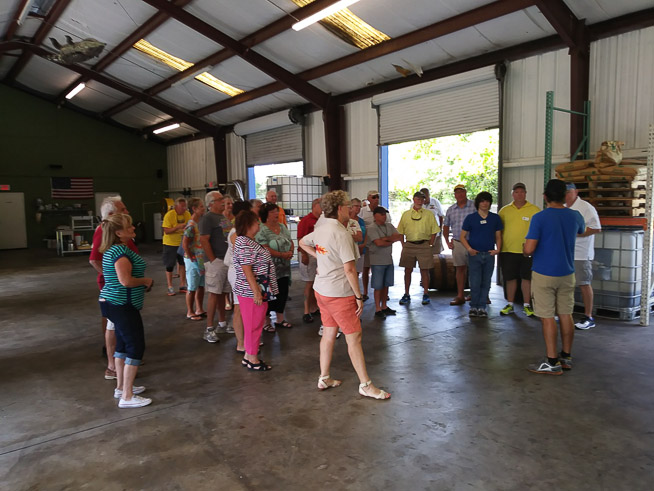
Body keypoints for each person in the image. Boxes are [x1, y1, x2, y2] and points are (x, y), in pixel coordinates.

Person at [300, 191, 390, 400]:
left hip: (322, 290)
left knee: (329, 333)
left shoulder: (321, 229)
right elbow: (350, 270)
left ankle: (324, 377)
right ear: (340, 208)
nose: (351, 208)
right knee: (354, 338)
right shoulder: (341, 234)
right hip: (339, 293)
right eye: (348, 205)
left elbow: (303, 242)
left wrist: (321, 258)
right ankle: (366, 385)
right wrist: (358, 296)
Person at [523, 179, 585, 375]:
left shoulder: (539, 218)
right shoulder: (575, 215)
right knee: (566, 314)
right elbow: (582, 231)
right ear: (565, 196)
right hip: (567, 272)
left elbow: (529, 248)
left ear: (545, 197)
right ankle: (566, 357)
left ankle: (551, 362)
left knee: (547, 316)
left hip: (544, 273)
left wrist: (525, 249)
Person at [99, 213, 154, 408]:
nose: (133, 228)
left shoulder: (114, 250)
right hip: (122, 304)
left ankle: (121, 387)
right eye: (128, 226)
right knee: (135, 346)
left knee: (122, 345)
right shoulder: (120, 252)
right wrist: (145, 281)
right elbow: (126, 281)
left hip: (114, 303)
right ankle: (127, 396)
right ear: (118, 233)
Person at [90, 196, 136, 380]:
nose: (127, 212)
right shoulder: (104, 230)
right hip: (116, 287)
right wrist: (114, 277)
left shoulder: (120, 235)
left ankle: (122, 359)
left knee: (120, 323)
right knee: (113, 323)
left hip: (125, 284)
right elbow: (94, 259)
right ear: (110, 215)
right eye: (123, 210)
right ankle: (113, 366)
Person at [233, 210, 278, 371]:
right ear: (248, 225)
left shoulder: (247, 241)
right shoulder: (244, 242)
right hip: (252, 290)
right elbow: (247, 269)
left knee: (254, 323)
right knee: (254, 324)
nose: (258, 225)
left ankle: (248, 355)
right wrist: (256, 292)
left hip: (257, 288)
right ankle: (252, 358)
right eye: (255, 222)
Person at [498, 183, 540, 317]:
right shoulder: (504, 210)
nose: (519, 194)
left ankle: (527, 305)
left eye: (522, 192)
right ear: (512, 194)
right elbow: (498, 231)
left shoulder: (535, 210)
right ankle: (510, 304)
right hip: (508, 250)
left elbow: (540, 231)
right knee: (510, 278)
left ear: (526, 193)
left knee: (527, 278)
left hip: (527, 251)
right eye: (516, 192)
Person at [460, 192, 503, 318]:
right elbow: (462, 237)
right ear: (478, 203)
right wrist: (469, 249)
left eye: (487, 201)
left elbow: (498, 236)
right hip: (475, 255)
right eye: (482, 201)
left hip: (489, 255)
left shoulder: (495, 218)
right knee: (475, 282)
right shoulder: (471, 218)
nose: (485, 203)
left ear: (490, 203)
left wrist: (498, 249)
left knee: (486, 282)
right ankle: (474, 306)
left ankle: (482, 307)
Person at [565, 183, 602, 330]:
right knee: (565, 284)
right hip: (565, 253)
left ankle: (588, 317)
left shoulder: (585, 207)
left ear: (576, 192)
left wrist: (576, 233)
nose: (567, 195)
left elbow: (596, 228)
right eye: (564, 192)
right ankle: (564, 312)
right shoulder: (562, 207)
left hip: (581, 253)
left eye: (569, 192)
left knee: (584, 283)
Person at [199, 191, 232, 343]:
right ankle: (209, 328)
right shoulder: (207, 218)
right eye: (220, 199)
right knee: (214, 293)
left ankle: (222, 324)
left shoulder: (222, 217)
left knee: (223, 293)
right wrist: (212, 260)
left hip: (224, 260)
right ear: (211, 203)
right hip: (216, 261)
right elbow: (204, 240)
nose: (223, 201)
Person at [397, 191, 440, 306]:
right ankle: (406, 293)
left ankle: (426, 293)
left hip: (424, 244)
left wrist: (430, 244)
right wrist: (403, 244)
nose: (420, 201)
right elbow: (400, 230)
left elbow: (435, 230)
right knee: (407, 270)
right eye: (418, 199)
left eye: (422, 199)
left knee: (424, 270)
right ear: (413, 199)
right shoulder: (406, 214)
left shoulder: (429, 214)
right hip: (409, 244)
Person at [256, 202, 294, 331]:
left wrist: (290, 252)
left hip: (284, 267)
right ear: (265, 215)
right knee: (269, 293)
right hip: (268, 268)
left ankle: (280, 319)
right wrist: (281, 254)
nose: (276, 214)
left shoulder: (282, 227)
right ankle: (266, 321)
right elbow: (264, 247)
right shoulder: (261, 229)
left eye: (276, 211)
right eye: (272, 212)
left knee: (283, 292)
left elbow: (290, 241)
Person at [224, 201, 251, 352]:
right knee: (239, 307)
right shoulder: (235, 233)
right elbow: (244, 256)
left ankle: (247, 340)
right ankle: (241, 343)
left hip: (242, 271)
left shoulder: (241, 231)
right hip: (238, 272)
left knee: (244, 307)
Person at [366, 206, 403, 318]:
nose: (384, 216)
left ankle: (384, 306)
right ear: (375, 216)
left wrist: (385, 239)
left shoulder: (389, 226)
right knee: (378, 286)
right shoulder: (372, 228)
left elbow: (398, 236)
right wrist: (389, 240)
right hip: (377, 261)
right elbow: (378, 243)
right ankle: (378, 308)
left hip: (388, 259)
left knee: (386, 285)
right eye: (381, 214)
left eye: (384, 214)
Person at [443, 184, 476, 306]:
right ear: (455, 195)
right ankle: (460, 295)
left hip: (474, 242)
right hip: (458, 243)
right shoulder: (451, 209)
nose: (460, 194)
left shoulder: (474, 206)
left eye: (462, 192)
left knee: (476, 269)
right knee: (460, 269)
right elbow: (446, 226)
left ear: (465, 193)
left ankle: (478, 295)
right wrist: (447, 241)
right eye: (457, 192)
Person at [181, 197, 207, 322]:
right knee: (192, 286)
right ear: (194, 209)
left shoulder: (199, 223)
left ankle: (199, 308)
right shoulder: (191, 225)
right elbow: (185, 243)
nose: (203, 208)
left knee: (201, 285)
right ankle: (190, 311)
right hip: (193, 260)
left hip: (200, 259)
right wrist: (191, 256)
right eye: (201, 206)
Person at [358, 190, 386, 301]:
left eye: (377, 197)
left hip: (379, 245)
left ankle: (381, 292)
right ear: (368, 199)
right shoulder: (362, 211)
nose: (376, 199)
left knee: (379, 269)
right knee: (366, 268)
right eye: (374, 197)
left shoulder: (383, 210)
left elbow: (387, 225)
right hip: (368, 244)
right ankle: (365, 292)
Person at [297, 198, 321, 323]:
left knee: (316, 283)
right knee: (309, 283)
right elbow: (300, 238)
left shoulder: (321, 221)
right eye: (320, 205)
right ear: (315, 206)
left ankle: (314, 307)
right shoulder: (306, 221)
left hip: (318, 253)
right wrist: (304, 254)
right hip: (308, 253)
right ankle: (306, 310)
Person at [162, 197, 190, 296]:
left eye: (185, 206)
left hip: (182, 243)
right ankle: (170, 286)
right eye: (182, 207)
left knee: (183, 264)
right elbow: (166, 230)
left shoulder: (187, 214)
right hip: (170, 243)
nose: (184, 208)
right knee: (169, 265)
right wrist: (177, 227)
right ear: (176, 206)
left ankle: (182, 285)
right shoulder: (169, 215)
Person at [420, 188, 444, 254]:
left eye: (426, 197)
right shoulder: (416, 204)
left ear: (429, 195)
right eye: (422, 197)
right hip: (422, 234)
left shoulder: (435, 202)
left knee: (436, 254)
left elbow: (441, 216)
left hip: (435, 233)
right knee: (423, 254)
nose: (424, 199)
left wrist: (440, 229)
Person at [349, 198, 367, 275]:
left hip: (361, 250)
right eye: (356, 206)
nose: (358, 208)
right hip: (350, 250)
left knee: (357, 272)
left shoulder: (361, 221)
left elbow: (365, 233)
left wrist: (364, 244)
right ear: (351, 207)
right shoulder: (346, 220)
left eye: (360, 206)